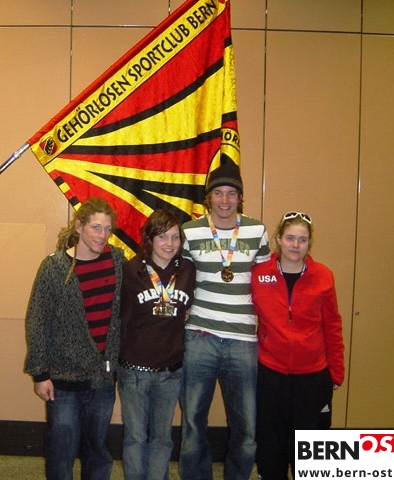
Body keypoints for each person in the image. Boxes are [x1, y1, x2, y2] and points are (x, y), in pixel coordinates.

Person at [179, 154, 270, 480]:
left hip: (243, 340)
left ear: (240, 197)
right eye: (218, 193)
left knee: (246, 428)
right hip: (199, 336)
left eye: (232, 193)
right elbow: (181, 279)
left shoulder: (258, 230)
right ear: (209, 197)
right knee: (192, 424)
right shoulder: (189, 232)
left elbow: (267, 283)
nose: (225, 200)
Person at [24, 197, 126, 480]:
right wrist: (40, 374)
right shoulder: (54, 267)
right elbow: (37, 321)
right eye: (96, 227)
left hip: (102, 379)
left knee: (98, 450)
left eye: (107, 229)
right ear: (79, 226)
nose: (102, 235)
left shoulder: (117, 261)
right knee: (62, 450)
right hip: (63, 380)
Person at [251, 211, 345, 480]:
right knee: (271, 445)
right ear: (279, 239)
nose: (295, 245)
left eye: (302, 240)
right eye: (290, 238)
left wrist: (336, 372)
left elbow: (332, 326)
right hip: (271, 374)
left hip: (313, 376)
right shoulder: (259, 274)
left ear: (309, 243)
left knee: (310, 448)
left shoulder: (323, 276)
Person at [118, 209, 195, 480]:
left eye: (175, 237)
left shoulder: (187, 270)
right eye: (162, 236)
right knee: (135, 437)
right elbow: (119, 316)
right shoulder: (131, 270)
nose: (169, 243)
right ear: (149, 239)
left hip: (170, 370)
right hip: (134, 370)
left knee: (162, 438)